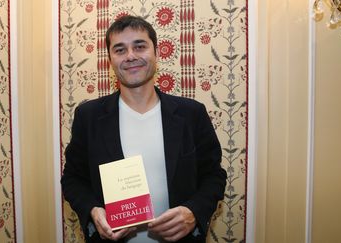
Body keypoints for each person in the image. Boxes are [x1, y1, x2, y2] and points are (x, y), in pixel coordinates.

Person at [61, 15, 227, 243]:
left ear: (156, 53)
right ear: (110, 59)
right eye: (120, 50)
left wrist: (192, 212)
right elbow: (72, 179)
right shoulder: (88, 117)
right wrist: (93, 211)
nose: (130, 56)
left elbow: (214, 176)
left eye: (139, 46)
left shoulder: (191, 114)